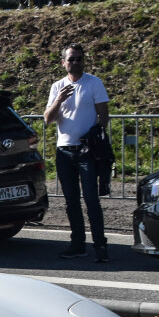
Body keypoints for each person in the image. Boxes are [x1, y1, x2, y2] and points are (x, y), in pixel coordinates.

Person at [44, 44, 110, 263]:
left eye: (79, 59)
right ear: (63, 62)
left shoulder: (93, 83)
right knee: (71, 201)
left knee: (91, 200)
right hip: (64, 150)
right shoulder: (57, 87)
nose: (76, 62)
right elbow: (48, 119)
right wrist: (58, 100)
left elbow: (103, 117)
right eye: (71, 59)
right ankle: (78, 244)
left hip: (86, 151)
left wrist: (95, 138)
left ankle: (100, 245)